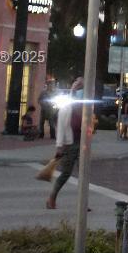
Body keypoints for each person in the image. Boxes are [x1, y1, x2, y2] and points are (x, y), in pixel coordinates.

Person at [47, 77, 85, 210]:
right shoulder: (66, 109)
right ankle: (52, 197)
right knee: (65, 173)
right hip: (69, 145)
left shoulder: (85, 109)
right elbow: (61, 129)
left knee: (84, 173)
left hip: (82, 144)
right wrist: (59, 146)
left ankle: (83, 202)